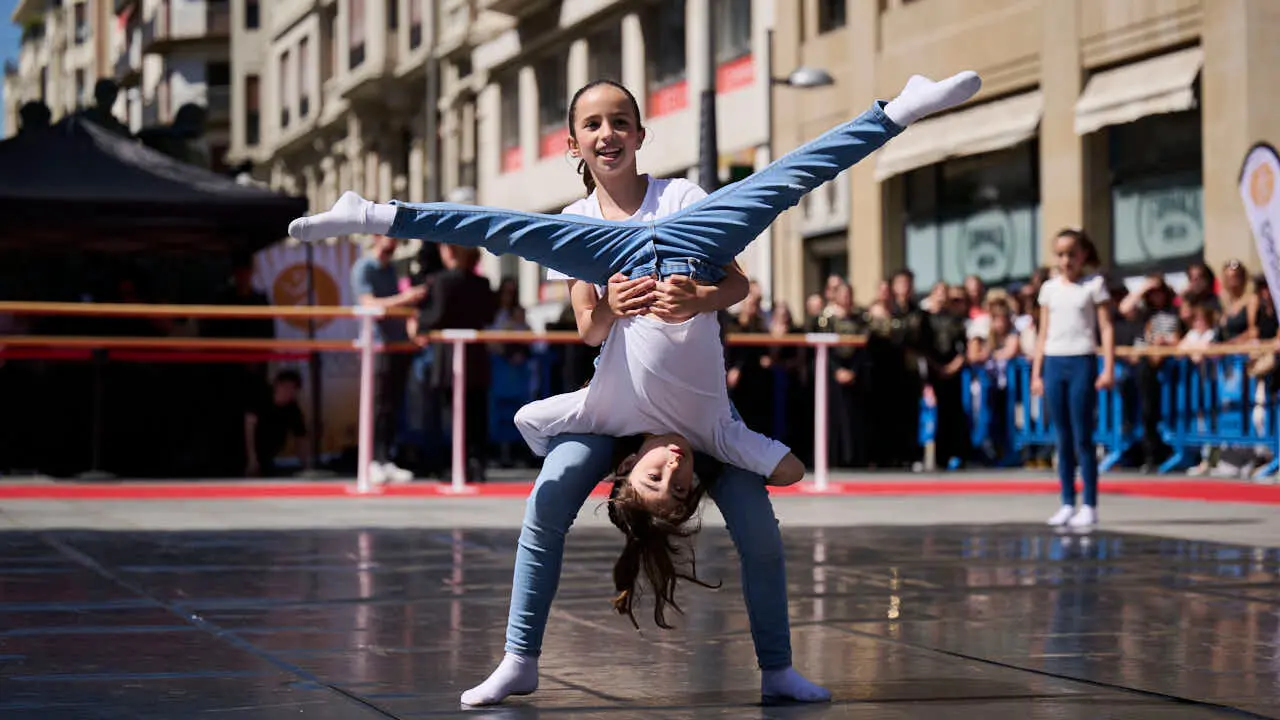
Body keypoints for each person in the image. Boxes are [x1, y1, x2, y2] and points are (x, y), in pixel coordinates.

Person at [292, 70, 983, 706]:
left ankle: (897, 110)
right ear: (575, 145)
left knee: (781, 183)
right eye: (594, 125)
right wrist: (613, 306)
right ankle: (519, 656)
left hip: (683, 264)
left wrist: (700, 297)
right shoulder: (578, 219)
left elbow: (739, 285)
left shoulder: (681, 195)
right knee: (550, 478)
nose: (608, 134)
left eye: (620, 121)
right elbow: (589, 332)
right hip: (619, 372)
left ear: (639, 135)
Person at [1031, 228, 1116, 528]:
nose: (1067, 260)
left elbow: (1106, 328)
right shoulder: (1049, 289)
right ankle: (1067, 501)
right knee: (1062, 437)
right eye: (1061, 254)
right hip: (1054, 362)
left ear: (1083, 255)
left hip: (1082, 360)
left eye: (1072, 253)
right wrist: (1036, 373)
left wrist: (1107, 368)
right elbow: (1042, 334)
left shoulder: (1094, 286)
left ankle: (1089, 504)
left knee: (1083, 436)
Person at [407, 244, 498, 482]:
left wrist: (417, 319)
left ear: (451, 252)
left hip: (448, 357)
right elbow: (489, 315)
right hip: (476, 355)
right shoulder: (483, 283)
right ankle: (476, 463)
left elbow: (435, 316)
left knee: (451, 412)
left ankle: (452, 463)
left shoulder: (441, 281)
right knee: (477, 412)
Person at [350, 234, 427, 484]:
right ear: (375, 237)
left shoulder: (390, 269)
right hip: (377, 346)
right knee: (378, 405)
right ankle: (372, 460)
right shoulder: (363, 267)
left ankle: (385, 458)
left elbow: (395, 309)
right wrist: (406, 298)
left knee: (392, 406)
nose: (393, 242)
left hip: (396, 346)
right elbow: (369, 303)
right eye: (389, 236)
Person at [244, 370, 308, 477]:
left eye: (293, 389)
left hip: (268, 456)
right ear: (276, 385)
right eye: (285, 387)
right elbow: (248, 426)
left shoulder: (293, 409)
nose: (288, 392)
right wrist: (251, 458)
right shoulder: (261, 397)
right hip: (244, 451)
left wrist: (307, 467)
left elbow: (301, 437)